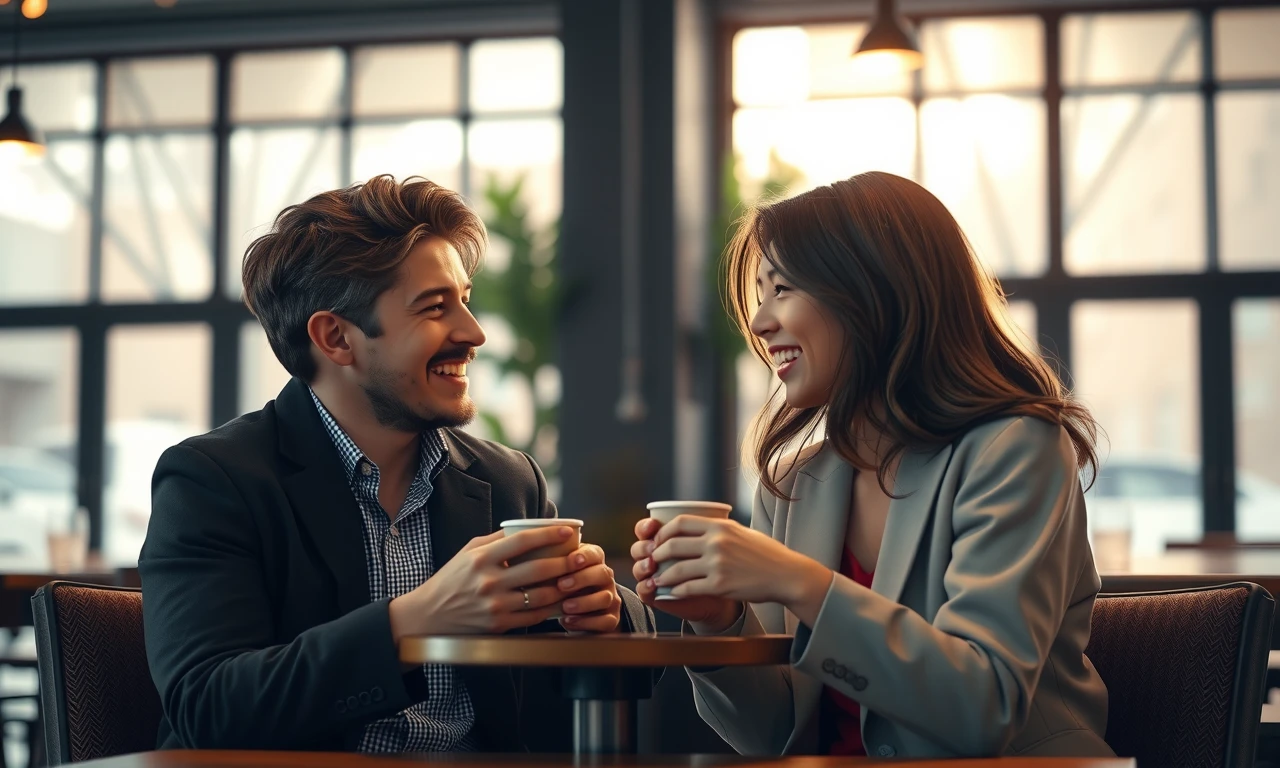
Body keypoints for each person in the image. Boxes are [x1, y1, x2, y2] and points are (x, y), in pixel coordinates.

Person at [141, 175, 653, 753]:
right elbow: (209, 707)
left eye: (465, 301)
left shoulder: (507, 482)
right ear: (336, 338)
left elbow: (605, 681)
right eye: (435, 308)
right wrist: (413, 620)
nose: (473, 332)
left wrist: (609, 613)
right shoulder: (214, 480)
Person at [630, 171, 1114, 759]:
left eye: (782, 289)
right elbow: (771, 736)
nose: (759, 322)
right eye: (760, 294)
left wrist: (795, 580)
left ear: (873, 293)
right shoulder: (793, 482)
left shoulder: (1016, 449)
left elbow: (984, 707)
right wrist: (719, 621)